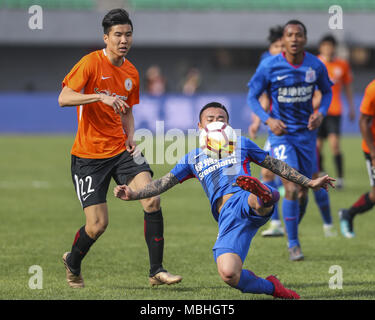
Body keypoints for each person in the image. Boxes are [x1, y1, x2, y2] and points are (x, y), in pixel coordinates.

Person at [114, 102, 335, 299]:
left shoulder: (242, 143)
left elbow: (275, 164)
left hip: (243, 197)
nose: (216, 122)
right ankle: (274, 288)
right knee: (229, 274)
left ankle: (265, 195)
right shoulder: (192, 158)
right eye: (210, 119)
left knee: (255, 198)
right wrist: (134, 194)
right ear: (200, 126)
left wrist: (309, 182)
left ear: (228, 125)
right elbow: (164, 182)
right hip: (227, 217)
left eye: (221, 119)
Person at [57, 8, 181, 288]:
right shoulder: (89, 64)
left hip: (121, 149)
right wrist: (99, 96)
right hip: (89, 156)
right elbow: (63, 98)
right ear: (106, 37)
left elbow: (127, 111)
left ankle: (156, 271)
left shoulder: (131, 72)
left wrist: (130, 136)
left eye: (128, 34)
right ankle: (72, 261)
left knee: (152, 198)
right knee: (97, 225)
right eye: (118, 35)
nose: (123, 39)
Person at [247, 20, 333, 260]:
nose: (294, 39)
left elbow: (327, 92)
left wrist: (321, 113)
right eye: (290, 35)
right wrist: (267, 120)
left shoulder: (315, 65)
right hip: (281, 135)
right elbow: (253, 96)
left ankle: (291, 226)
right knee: (292, 187)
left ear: (305, 39)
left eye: (299, 35)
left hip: (306, 136)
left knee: (304, 190)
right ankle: (293, 244)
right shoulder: (269, 66)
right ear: (283, 41)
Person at [248, 25, 285, 237]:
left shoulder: (297, 64)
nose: (279, 49)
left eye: (282, 46)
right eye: (276, 46)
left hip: (294, 128)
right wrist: (256, 121)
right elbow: (260, 95)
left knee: (292, 177)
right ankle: (278, 224)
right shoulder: (267, 63)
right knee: (268, 171)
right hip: (276, 127)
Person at [314, 34, 355, 189]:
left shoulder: (342, 65)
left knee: (335, 145)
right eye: (325, 46)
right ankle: (322, 172)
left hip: (335, 110)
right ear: (321, 47)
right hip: (317, 111)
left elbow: (348, 87)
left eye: (331, 46)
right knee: (317, 146)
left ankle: (340, 177)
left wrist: (351, 107)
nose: (328, 49)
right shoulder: (315, 63)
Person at [339, 79, 375, 238]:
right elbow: (364, 121)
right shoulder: (373, 89)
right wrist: (373, 153)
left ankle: (348, 214)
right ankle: (348, 214)